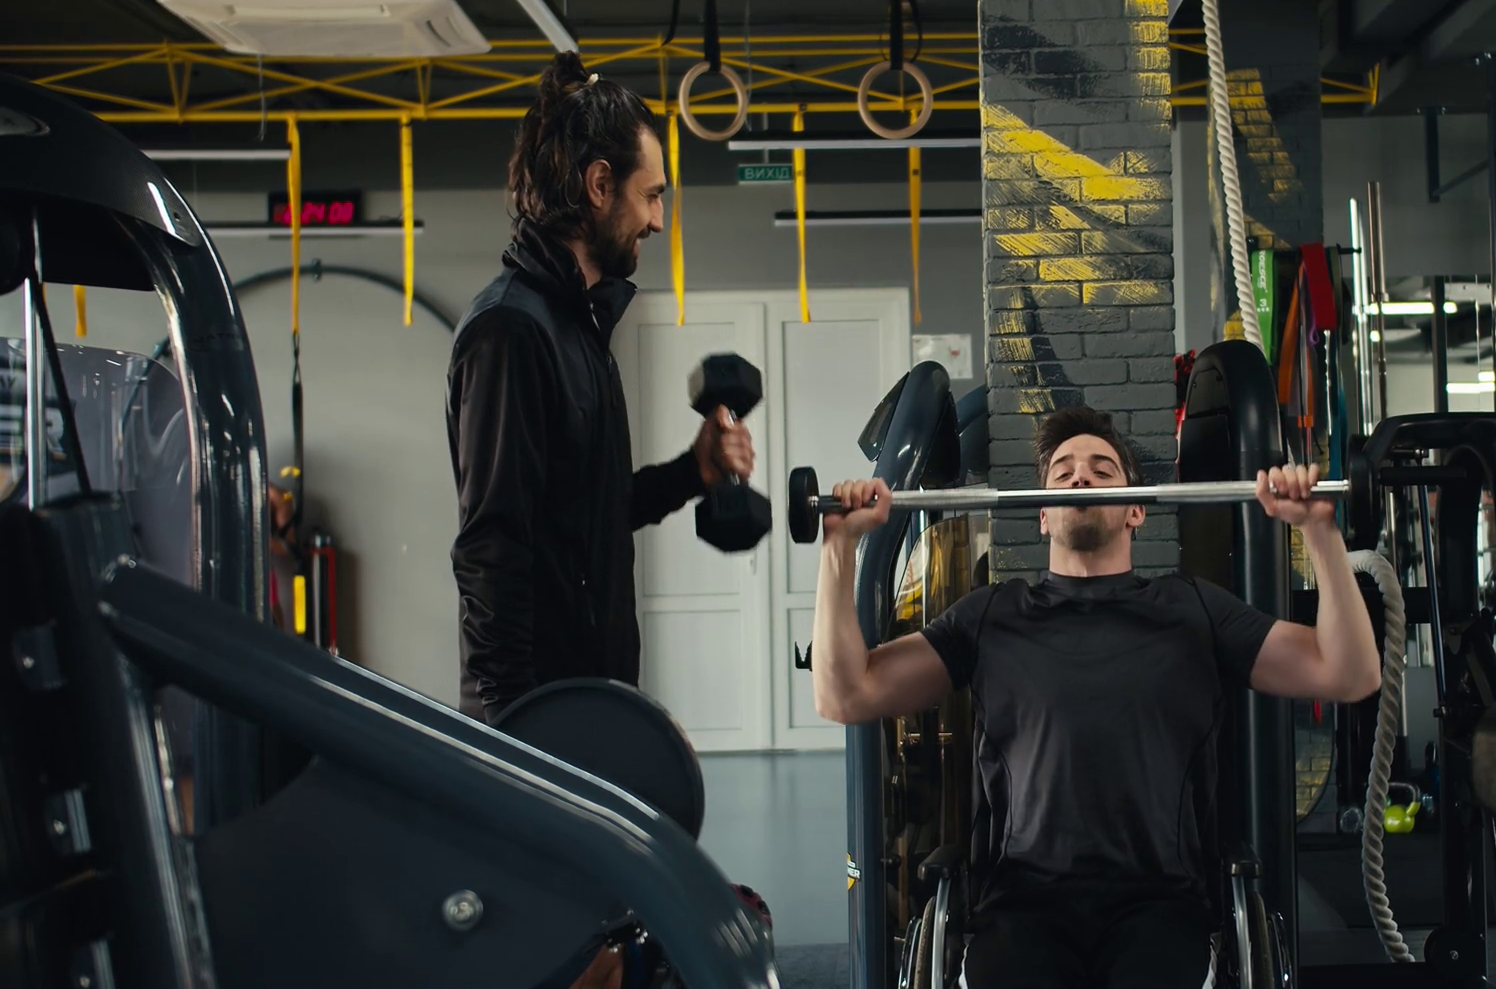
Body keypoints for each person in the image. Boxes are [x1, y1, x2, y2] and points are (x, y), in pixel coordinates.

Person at [810, 406, 1381, 988]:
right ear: (1042, 515)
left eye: (1102, 470)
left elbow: (1349, 673)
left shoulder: (1193, 610)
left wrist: (1319, 531)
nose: (1080, 476)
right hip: (1023, 905)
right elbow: (845, 694)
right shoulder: (991, 616)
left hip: (1160, 905)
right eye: (1062, 473)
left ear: (1136, 510)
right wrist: (839, 547)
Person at [447, 51, 754, 724]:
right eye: (652, 195)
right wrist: (513, 735)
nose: (659, 220)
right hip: (540, 717)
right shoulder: (510, 330)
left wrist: (693, 471)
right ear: (599, 185)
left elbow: (590, 517)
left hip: (593, 698)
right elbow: (492, 549)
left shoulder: (580, 330)